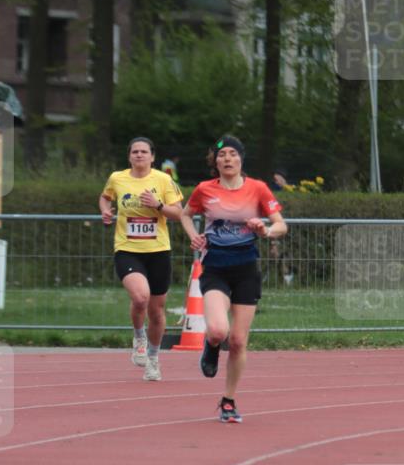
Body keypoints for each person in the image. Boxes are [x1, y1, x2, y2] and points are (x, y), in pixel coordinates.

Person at [180, 134, 287, 422]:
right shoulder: (204, 189)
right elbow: (185, 214)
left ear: (241, 159)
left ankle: (228, 400)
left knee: (239, 341)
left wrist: (264, 229)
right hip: (215, 266)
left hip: (246, 268)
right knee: (217, 330)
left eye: (232, 154)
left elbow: (281, 225)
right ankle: (211, 346)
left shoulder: (258, 189)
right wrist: (194, 237)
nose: (227, 158)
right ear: (215, 162)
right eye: (222, 155)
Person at [100, 137, 183, 381]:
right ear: (129, 157)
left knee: (157, 311)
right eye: (134, 152)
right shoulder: (117, 178)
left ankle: (154, 359)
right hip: (127, 248)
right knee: (140, 297)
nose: (139, 155)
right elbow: (105, 197)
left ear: (152, 157)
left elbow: (178, 213)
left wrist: (158, 205)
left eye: (143, 152)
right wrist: (105, 210)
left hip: (158, 250)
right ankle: (139, 337)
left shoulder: (163, 179)